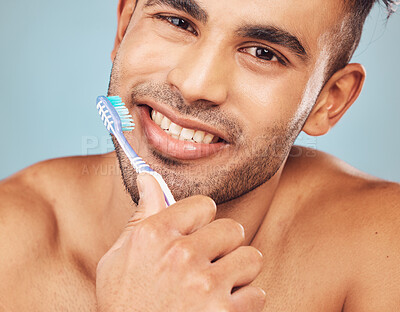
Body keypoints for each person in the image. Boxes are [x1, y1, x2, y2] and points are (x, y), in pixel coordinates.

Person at [0, 0, 399, 311]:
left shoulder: (384, 248)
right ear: (124, 27)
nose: (194, 84)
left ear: (329, 101)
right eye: (177, 22)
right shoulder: (10, 245)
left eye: (262, 53)